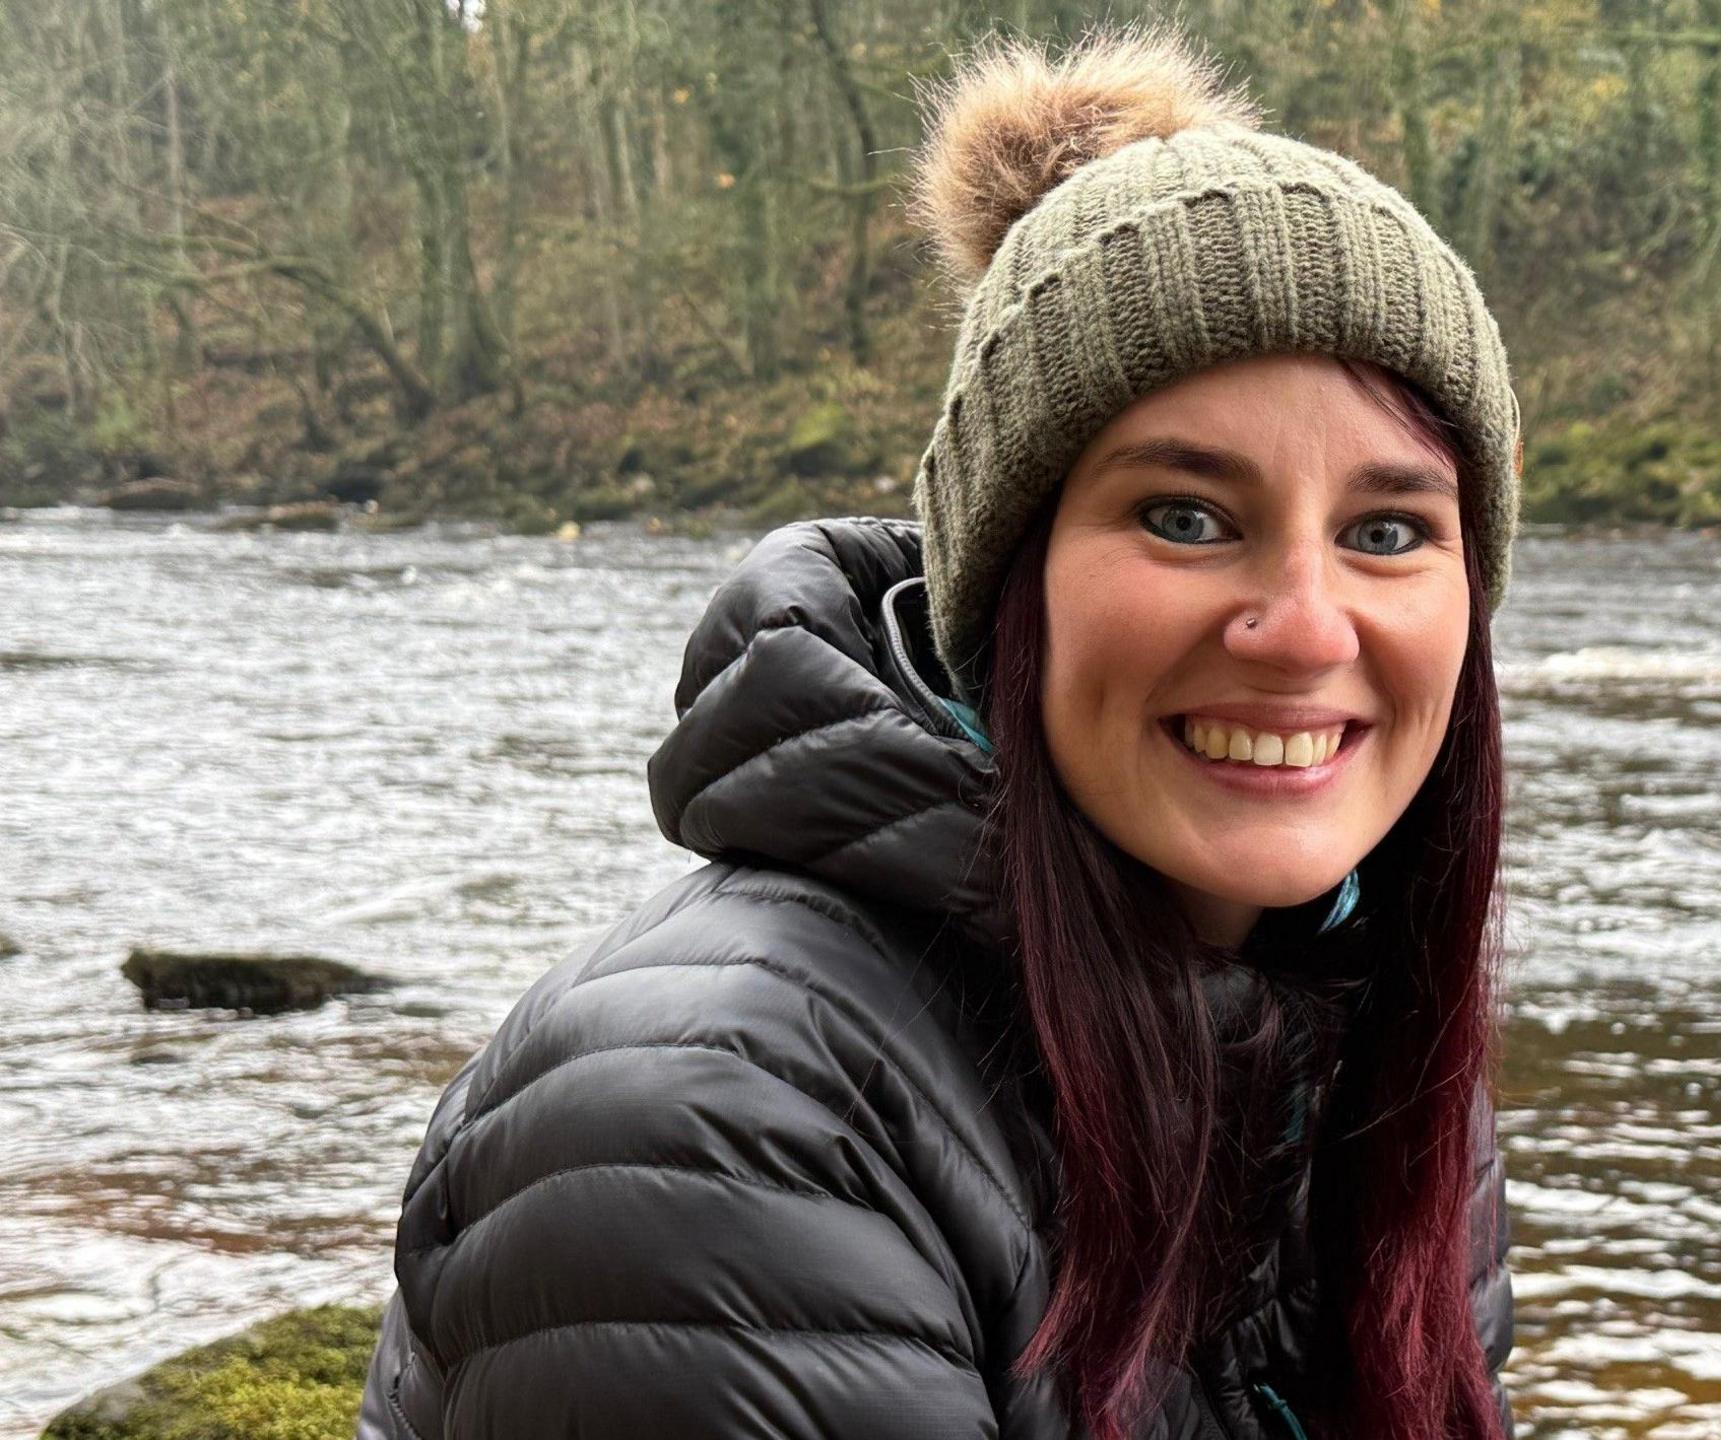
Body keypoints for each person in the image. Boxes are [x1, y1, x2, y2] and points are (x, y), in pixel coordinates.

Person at [356, 26, 1524, 1440]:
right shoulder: (721, 1122)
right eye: (1184, 516)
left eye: (1389, 532)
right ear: (1003, 579)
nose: (1307, 627)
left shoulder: (1371, 1069)